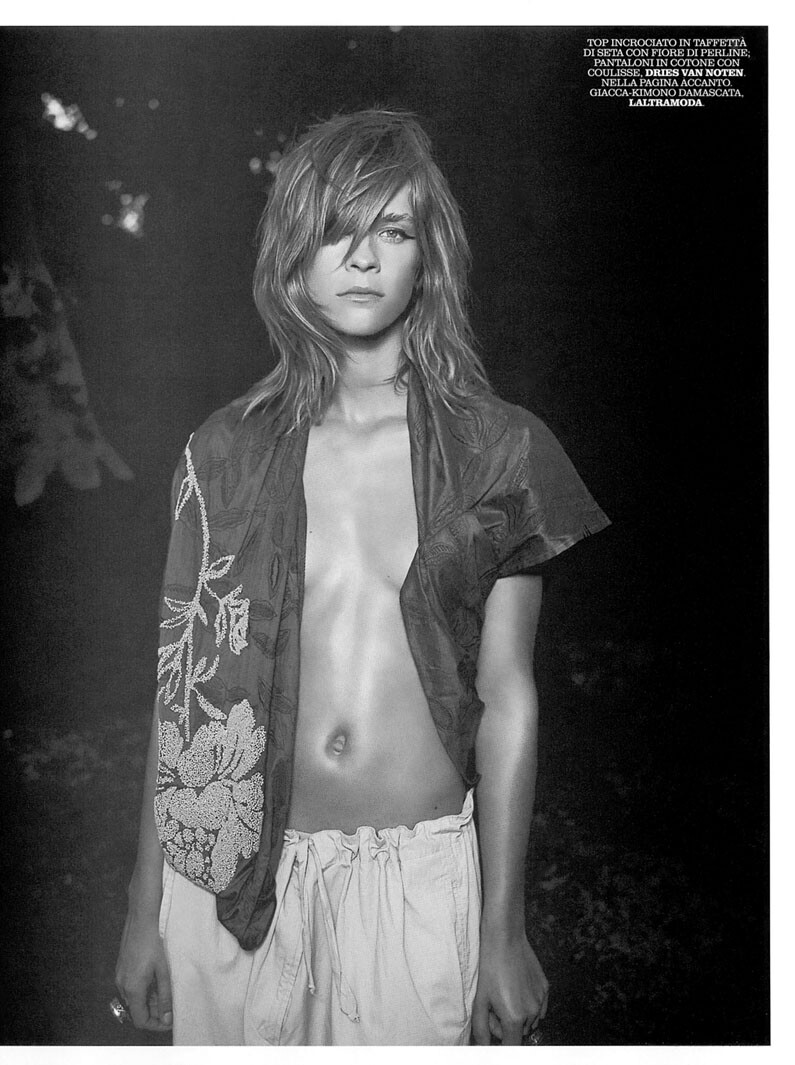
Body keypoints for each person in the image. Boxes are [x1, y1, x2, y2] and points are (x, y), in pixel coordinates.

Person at [114, 109, 610, 1046]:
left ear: (430, 257)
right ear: (292, 256)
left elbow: (507, 697)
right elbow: (181, 697)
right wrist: (146, 910)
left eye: (392, 230)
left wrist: (502, 931)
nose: (362, 258)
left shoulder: (499, 452)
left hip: (413, 883)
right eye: (334, 229)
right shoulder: (222, 453)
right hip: (227, 881)